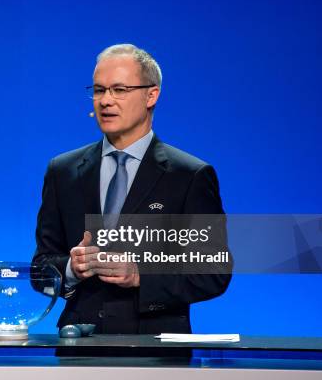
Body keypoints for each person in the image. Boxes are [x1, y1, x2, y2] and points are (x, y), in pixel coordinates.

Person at [33, 44, 231, 334]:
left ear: (152, 95)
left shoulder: (189, 175)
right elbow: (40, 269)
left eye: (120, 90)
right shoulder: (63, 171)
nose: (105, 101)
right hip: (80, 349)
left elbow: (213, 272)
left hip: (155, 352)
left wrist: (141, 274)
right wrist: (72, 269)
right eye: (99, 90)